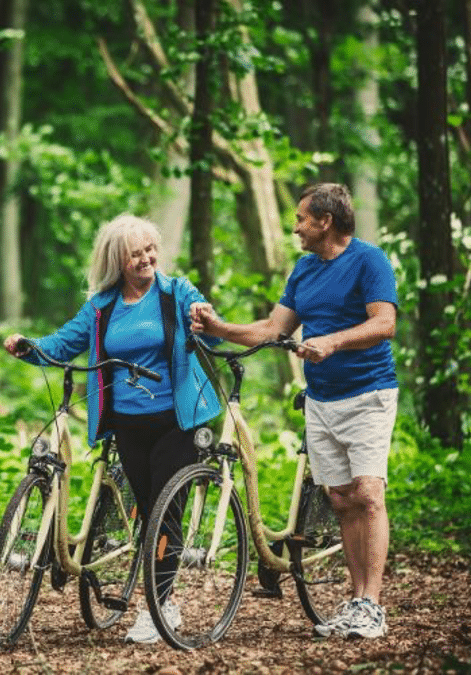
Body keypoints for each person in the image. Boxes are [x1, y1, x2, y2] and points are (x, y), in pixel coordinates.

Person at [4, 213, 223, 645]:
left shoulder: (177, 293)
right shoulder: (101, 308)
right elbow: (63, 344)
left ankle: (160, 607)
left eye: (150, 249)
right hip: (127, 423)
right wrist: (27, 347)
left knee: (165, 510)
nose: (146, 258)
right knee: (146, 509)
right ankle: (160, 595)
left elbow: (211, 335)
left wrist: (206, 320)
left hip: (176, 420)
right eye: (135, 253)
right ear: (117, 261)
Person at [191, 183, 398, 640]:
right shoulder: (304, 272)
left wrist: (332, 339)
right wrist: (218, 327)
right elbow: (271, 328)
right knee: (342, 499)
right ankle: (356, 598)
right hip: (322, 398)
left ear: (325, 220)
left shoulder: (369, 260)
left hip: (369, 393)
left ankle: (372, 604)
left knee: (368, 493)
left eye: (302, 219)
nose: (296, 228)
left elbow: (385, 322)